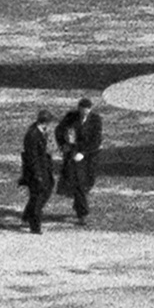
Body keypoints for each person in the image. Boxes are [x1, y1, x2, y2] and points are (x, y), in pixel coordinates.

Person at [55, 97, 103, 226]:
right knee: (78, 183)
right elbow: (59, 130)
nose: (83, 113)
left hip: (88, 157)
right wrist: (63, 145)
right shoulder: (71, 117)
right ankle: (82, 214)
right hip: (72, 154)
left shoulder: (96, 120)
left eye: (86, 110)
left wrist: (83, 153)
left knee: (87, 182)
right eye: (82, 110)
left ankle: (78, 206)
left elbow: (96, 140)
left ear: (90, 109)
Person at [18, 109, 58, 234]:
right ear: (45, 122)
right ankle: (34, 225)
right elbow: (32, 157)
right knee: (38, 197)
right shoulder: (33, 135)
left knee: (46, 190)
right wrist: (37, 174)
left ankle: (27, 216)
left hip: (44, 168)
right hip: (36, 171)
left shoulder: (41, 132)